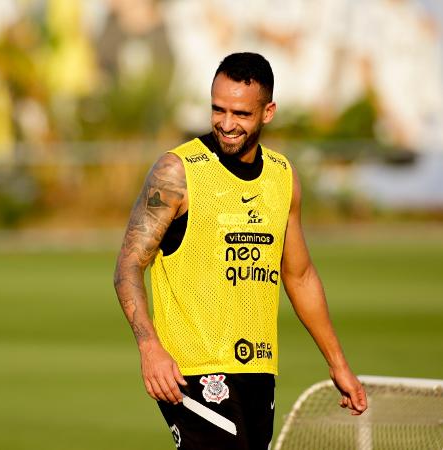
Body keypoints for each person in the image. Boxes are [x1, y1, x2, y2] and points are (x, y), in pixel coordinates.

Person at [114, 52, 367, 450]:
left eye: (241, 114)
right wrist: (149, 346)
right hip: (192, 373)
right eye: (218, 109)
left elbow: (299, 276)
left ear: (268, 112)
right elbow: (128, 265)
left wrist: (338, 365)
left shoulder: (283, 177)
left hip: (259, 371)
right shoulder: (177, 172)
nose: (226, 124)